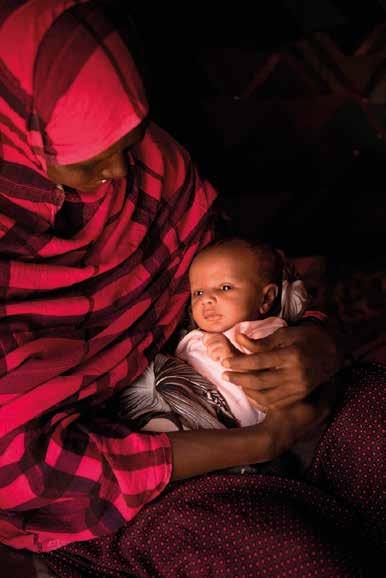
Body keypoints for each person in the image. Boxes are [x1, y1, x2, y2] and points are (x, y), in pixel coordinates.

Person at [0, 0, 342, 559]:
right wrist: (263, 440)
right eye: (89, 161)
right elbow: (20, 466)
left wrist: (317, 341)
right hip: (112, 488)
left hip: (237, 398)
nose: (117, 173)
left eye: (128, 142)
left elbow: (238, 273)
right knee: (290, 553)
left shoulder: (147, 160)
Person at [120, 237, 309, 431]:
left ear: (265, 299)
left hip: (222, 418)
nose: (207, 299)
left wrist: (235, 358)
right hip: (178, 396)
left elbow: (274, 388)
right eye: (198, 293)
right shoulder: (194, 335)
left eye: (225, 287)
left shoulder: (265, 332)